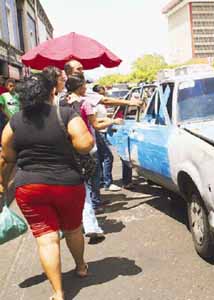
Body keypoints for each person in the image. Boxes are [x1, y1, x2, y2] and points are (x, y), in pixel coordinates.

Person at [0, 72, 95, 300]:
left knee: (46, 238)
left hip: (29, 187)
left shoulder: (14, 122)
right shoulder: (65, 114)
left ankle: (58, 292)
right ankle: (81, 266)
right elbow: (85, 145)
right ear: (52, 91)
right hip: (67, 184)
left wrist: (3, 183)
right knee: (73, 229)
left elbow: (7, 156)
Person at [64, 74, 124, 242]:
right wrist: (113, 122)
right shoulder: (85, 103)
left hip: (67, 150)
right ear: (79, 87)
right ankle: (90, 225)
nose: (86, 88)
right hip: (86, 148)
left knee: (74, 187)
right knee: (89, 185)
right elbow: (96, 125)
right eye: (84, 85)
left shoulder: (62, 103)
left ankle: (71, 224)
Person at [92, 84, 121, 191]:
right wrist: (111, 121)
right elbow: (94, 119)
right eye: (102, 90)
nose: (104, 91)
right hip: (99, 131)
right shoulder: (95, 105)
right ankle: (107, 182)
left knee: (100, 158)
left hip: (102, 131)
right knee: (108, 157)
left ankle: (101, 180)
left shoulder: (99, 105)